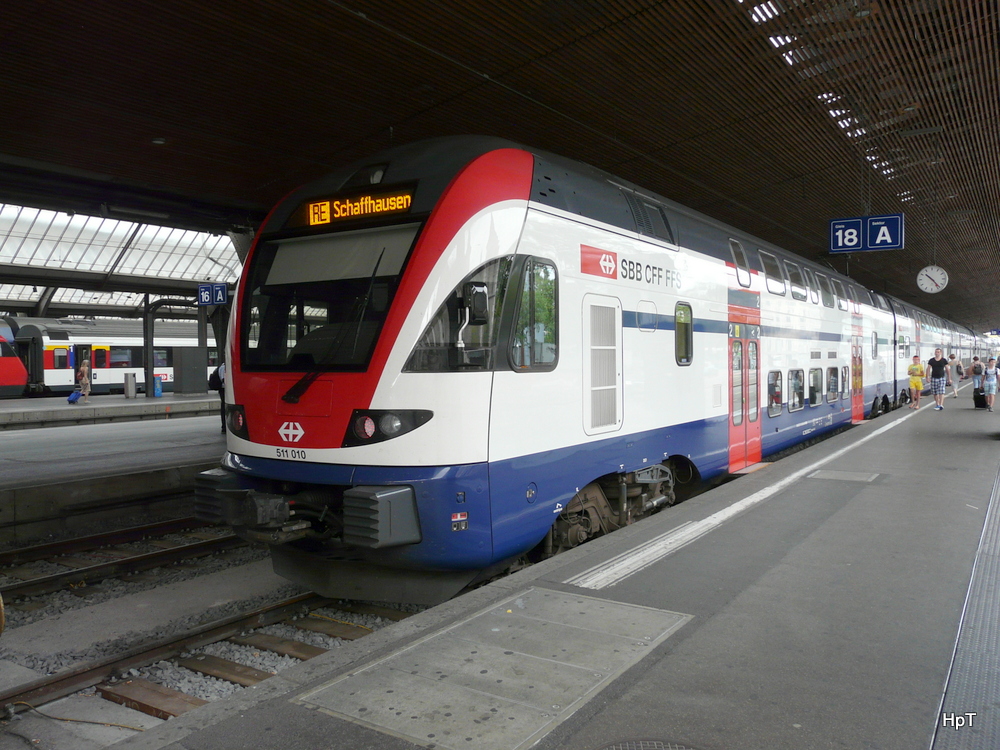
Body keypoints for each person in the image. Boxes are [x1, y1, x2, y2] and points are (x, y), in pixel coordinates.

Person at [210, 360, 226, 433]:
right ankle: (224, 426)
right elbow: (224, 380)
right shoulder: (223, 368)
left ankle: (224, 426)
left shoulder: (222, 367)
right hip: (224, 390)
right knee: (224, 408)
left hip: (224, 390)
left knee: (224, 408)